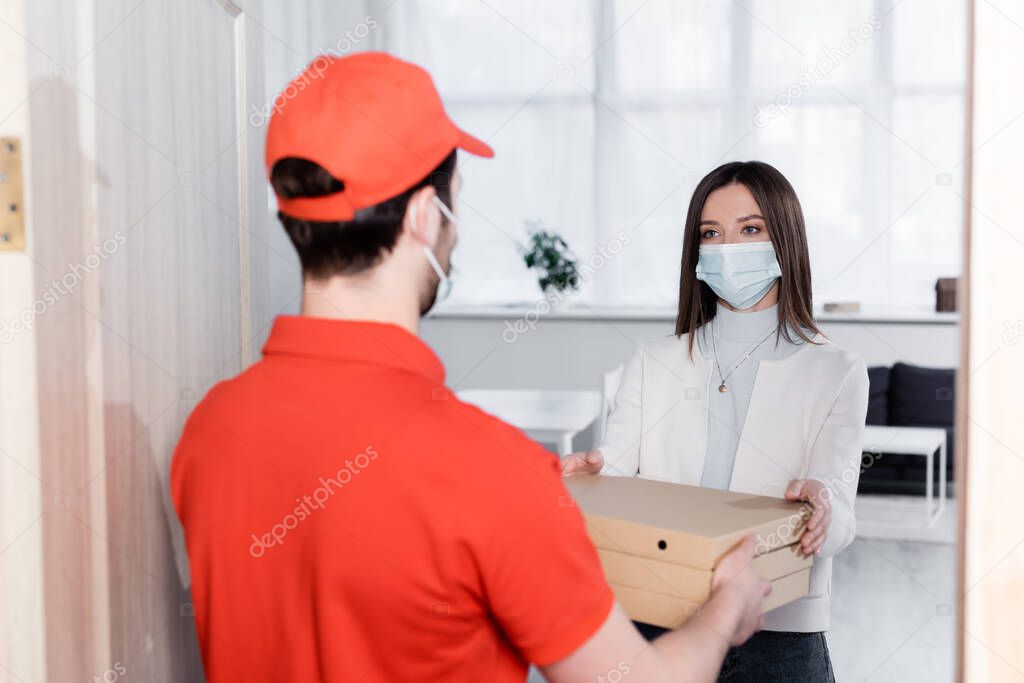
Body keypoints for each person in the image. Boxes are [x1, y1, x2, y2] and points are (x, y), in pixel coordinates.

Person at [171, 52, 769, 683]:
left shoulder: (209, 430)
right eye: (456, 200)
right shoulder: (493, 472)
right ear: (425, 216)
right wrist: (726, 608)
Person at [563, 161, 869, 682]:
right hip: (659, 622)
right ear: (696, 252)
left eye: (750, 230)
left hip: (780, 636)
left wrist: (823, 511)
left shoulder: (836, 370)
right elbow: (615, 473)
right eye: (712, 234)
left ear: (784, 241)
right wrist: (588, 478)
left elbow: (839, 511)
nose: (729, 248)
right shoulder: (654, 359)